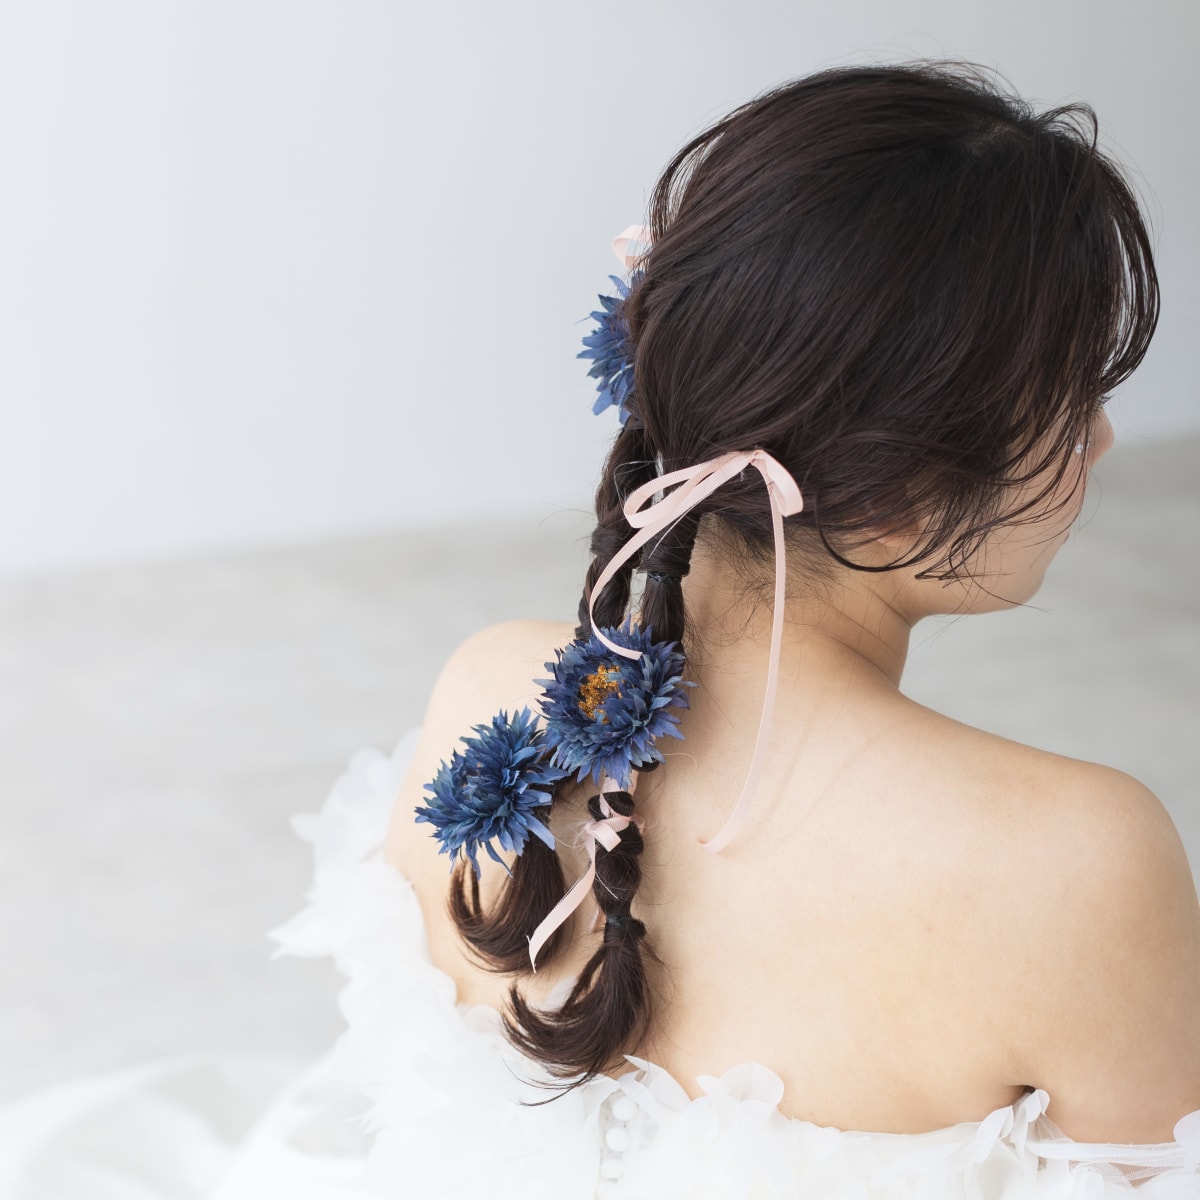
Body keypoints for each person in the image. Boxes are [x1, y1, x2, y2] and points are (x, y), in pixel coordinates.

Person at [2, 58, 1198, 1200]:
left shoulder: (491, 685)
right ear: (896, 490)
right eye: (1070, 394)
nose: (1100, 439)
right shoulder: (1076, 858)